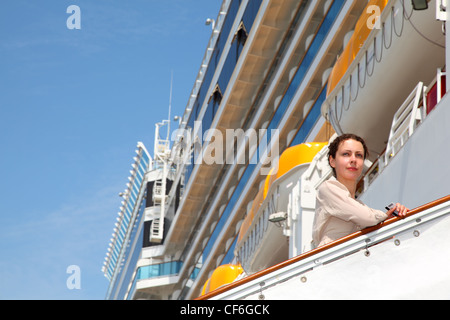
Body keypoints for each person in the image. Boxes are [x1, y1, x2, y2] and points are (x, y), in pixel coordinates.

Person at [312, 134, 408, 247]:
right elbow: (367, 217)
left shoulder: (360, 206)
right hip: (330, 260)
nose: (353, 159)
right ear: (332, 161)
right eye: (346, 154)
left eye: (358, 155)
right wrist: (384, 216)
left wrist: (391, 217)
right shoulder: (327, 189)